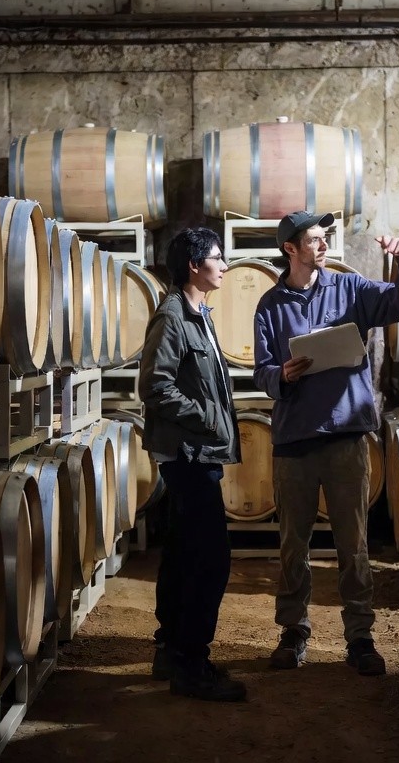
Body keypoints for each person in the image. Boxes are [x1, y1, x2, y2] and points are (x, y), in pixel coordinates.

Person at [252, 210, 399, 676]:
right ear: (291, 248)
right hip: (295, 441)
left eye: (325, 237)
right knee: (293, 548)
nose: (323, 244)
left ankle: (360, 638)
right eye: (314, 239)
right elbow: (260, 370)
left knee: (354, 544)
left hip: (346, 437)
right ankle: (293, 633)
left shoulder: (350, 288)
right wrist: (280, 375)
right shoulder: (269, 306)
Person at [139, 226, 247, 702]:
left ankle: (170, 649)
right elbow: (155, 386)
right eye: (217, 259)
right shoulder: (173, 317)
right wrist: (205, 418)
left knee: (184, 550)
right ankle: (191, 664)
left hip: (198, 450)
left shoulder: (198, 314)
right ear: (194, 266)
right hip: (188, 452)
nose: (224, 266)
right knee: (211, 557)